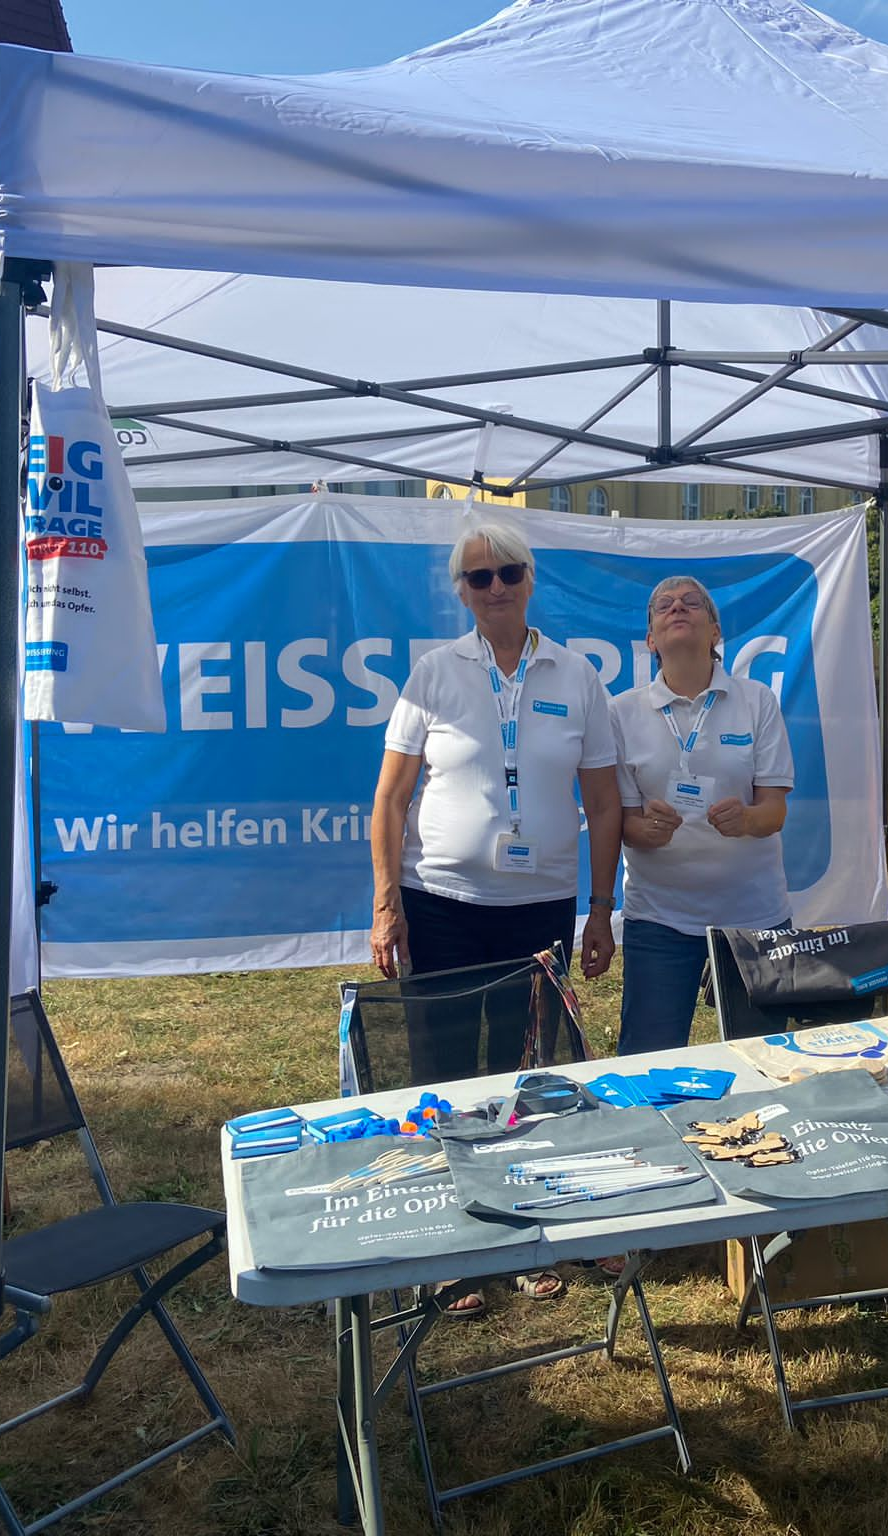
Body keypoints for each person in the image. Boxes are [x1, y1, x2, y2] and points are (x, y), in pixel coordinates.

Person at [369, 520, 622, 1310]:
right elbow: (390, 800)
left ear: (530, 579)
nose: (496, 588)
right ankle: (452, 1247)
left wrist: (601, 908)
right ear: (462, 591)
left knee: (524, 1073)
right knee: (441, 1073)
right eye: (478, 577)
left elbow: (605, 802)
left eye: (508, 572)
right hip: (439, 905)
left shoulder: (577, 675)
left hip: (537, 908)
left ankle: (516, 1232)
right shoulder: (433, 673)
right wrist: (386, 905)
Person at [611, 574, 794, 1055]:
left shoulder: (757, 702)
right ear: (651, 639)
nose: (677, 607)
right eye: (664, 604)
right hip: (659, 918)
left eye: (692, 602)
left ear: (715, 633)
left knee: (764, 1060)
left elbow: (774, 811)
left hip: (754, 916)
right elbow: (622, 824)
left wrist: (748, 821)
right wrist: (644, 830)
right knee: (648, 1060)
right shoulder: (621, 713)